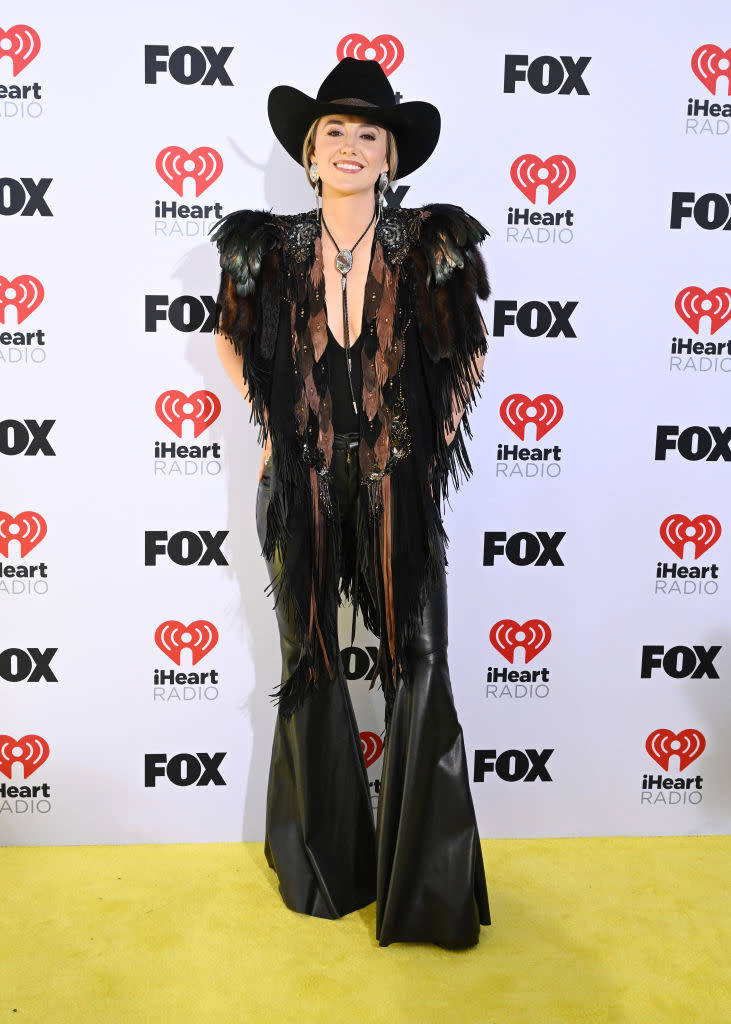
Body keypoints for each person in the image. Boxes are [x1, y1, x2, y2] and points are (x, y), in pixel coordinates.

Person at [210, 56, 491, 949]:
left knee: (420, 656)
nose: (351, 146)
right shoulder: (264, 243)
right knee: (310, 662)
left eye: (369, 134)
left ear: (390, 157)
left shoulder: (431, 241)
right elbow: (229, 337)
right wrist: (266, 421)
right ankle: (321, 871)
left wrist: (439, 433)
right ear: (308, 149)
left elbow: (468, 351)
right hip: (299, 481)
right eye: (334, 131)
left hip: (398, 478)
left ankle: (428, 892)